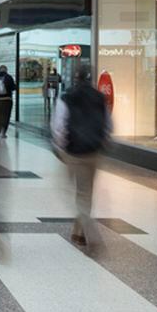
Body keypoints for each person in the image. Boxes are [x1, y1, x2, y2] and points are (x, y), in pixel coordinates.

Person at [52, 66, 111, 248]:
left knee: (73, 191)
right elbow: (108, 124)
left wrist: (59, 148)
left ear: (75, 78)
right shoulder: (100, 98)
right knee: (86, 193)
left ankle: (89, 230)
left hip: (74, 151)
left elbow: (58, 126)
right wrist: (103, 143)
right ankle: (78, 232)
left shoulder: (67, 97)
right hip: (93, 151)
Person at [0, 64, 18, 138]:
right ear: (6, 70)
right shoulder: (9, 77)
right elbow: (13, 88)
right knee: (6, 116)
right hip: (7, 100)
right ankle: (3, 132)